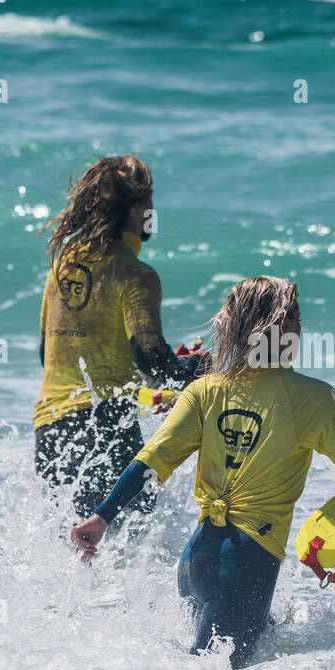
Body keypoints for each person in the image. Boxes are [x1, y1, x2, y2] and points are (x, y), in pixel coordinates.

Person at [71, 276, 335, 669]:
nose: (300, 329)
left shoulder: (204, 390)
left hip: (196, 561)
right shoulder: (312, 399)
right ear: (282, 327)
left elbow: (151, 461)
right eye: (295, 318)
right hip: (245, 563)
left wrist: (102, 516)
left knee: (214, 668)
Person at [34, 154, 202, 518]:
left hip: (49, 433)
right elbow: (150, 355)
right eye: (150, 200)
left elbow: (49, 355)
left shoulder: (61, 267)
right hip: (106, 428)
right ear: (137, 206)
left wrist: (149, 385)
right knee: (131, 546)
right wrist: (193, 368)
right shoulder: (135, 274)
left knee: (74, 549)